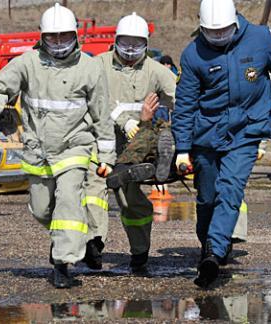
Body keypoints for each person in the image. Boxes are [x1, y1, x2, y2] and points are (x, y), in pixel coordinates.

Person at [172, 0, 271, 287]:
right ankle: (211, 242)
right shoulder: (192, 55)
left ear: (235, 22)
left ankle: (214, 253)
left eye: (223, 31)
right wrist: (182, 148)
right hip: (207, 135)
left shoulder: (260, 39)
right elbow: (186, 105)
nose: (218, 37)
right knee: (206, 198)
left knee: (230, 188)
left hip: (246, 131)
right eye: (211, 32)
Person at [0, 3, 115, 288]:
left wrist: (106, 156)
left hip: (75, 147)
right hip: (38, 150)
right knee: (41, 209)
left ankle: (62, 265)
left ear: (75, 35)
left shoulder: (90, 67)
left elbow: (101, 114)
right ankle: (74, 240)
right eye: (53, 37)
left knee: (68, 200)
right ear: (42, 37)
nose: (59, 43)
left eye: (64, 36)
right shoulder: (28, 63)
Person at [95, 12, 176, 273]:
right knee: (93, 193)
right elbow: (94, 98)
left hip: (135, 146)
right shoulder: (98, 66)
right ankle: (93, 245)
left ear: (147, 44)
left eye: (137, 44)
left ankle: (140, 253)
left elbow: (180, 97)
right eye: (125, 43)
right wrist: (127, 120)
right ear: (116, 40)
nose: (130, 51)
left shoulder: (156, 70)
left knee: (131, 201)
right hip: (102, 142)